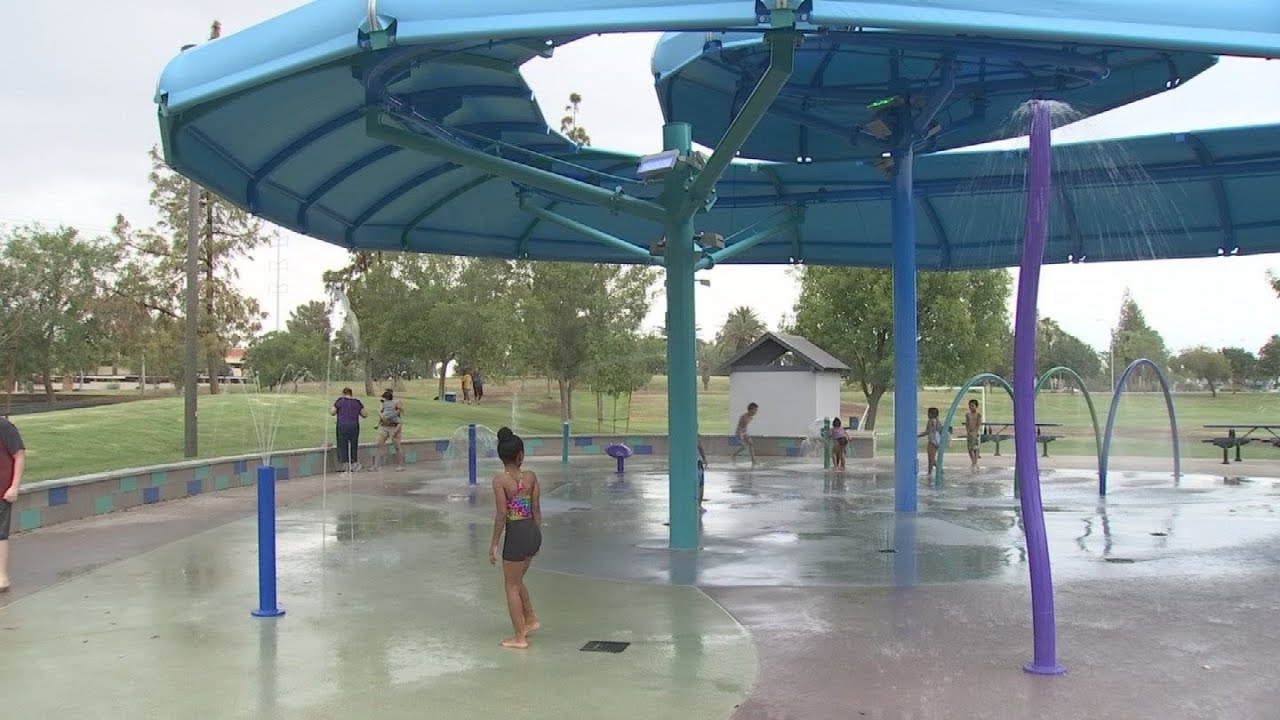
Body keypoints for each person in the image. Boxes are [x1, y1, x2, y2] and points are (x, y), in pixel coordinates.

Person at [488, 427, 542, 649]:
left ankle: (519, 637)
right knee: (517, 581)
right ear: (520, 455)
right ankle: (530, 620)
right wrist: (537, 534)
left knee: (510, 585)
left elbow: (502, 515)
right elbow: (536, 508)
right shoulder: (531, 477)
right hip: (532, 532)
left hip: (516, 535)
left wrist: (494, 544)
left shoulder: (501, 481)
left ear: (501, 456)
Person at [0, 416, 26, 592]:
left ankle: (2, 576)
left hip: (2, 491)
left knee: (0, 534)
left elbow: (19, 455)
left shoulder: (4, 426)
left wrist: (14, 486)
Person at [329, 387, 367, 472]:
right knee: (354, 443)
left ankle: (345, 464)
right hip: (354, 425)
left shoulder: (340, 401)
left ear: (343, 393)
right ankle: (354, 463)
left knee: (342, 444)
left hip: (342, 425)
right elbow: (365, 414)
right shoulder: (357, 402)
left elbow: (332, 412)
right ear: (351, 394)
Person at [375, 389, 405, 471]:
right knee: (379, 444)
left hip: (394, 426)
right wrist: (381, 419)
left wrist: (392, 416)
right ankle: (376, 465)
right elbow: (380, 412)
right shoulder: (383, 404)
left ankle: (400, 465)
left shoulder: (397, 403)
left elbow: (400, 414)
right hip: (384, 426)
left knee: (397, 446)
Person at [920, 407, 944, 476]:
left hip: (932, 441)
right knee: (931, 459)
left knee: (931, 459)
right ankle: (929, 472)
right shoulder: (937, 421)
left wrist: (918, 436)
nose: (927, 414)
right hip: (937, 441)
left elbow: (928, 431)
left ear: (931, 414)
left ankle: (939, 470)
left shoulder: (930, 421)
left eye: (928, 413)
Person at [963, 399, 983, 470]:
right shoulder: (968, 415)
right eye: (970, 406)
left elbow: (978, 424)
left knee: (976, 448)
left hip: (976, 433)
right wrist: (969, 432)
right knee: (970, 448)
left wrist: (975, 432)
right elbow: (967, 424)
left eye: (972, 406)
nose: (971, 407)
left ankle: (975, 462)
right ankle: (973, 462)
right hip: (970, 433)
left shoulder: (978, 415)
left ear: (976, 406)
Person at [697, 437, 708, 511]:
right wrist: (704, 458)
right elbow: (700, 448)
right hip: (698, 463)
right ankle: (699, 505)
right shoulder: (694, 435)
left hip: (687, 462)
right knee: (700, 485)